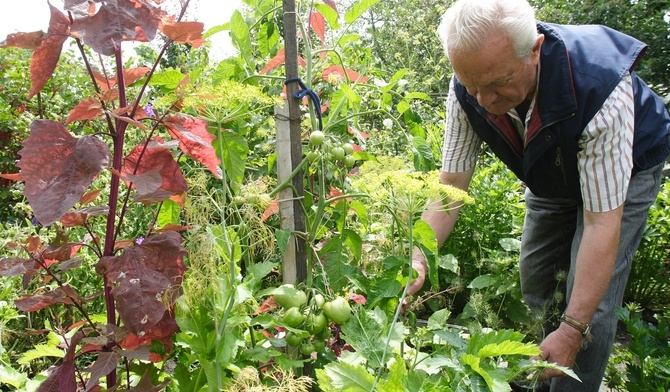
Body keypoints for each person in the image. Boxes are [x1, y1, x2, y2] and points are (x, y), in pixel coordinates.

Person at [407, 0, 670, 390]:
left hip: (626, 168)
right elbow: (451, 186)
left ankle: (569, 380)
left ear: (535, 50)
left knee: (589, 311)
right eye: (471, 85)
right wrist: (418, 255)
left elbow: (601, 224)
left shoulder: (599, 88)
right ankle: (534, 376)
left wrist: (572, 329)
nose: (484, 101)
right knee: (537, 282)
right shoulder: (472, 88)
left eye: (496, 83)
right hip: (551, 167)